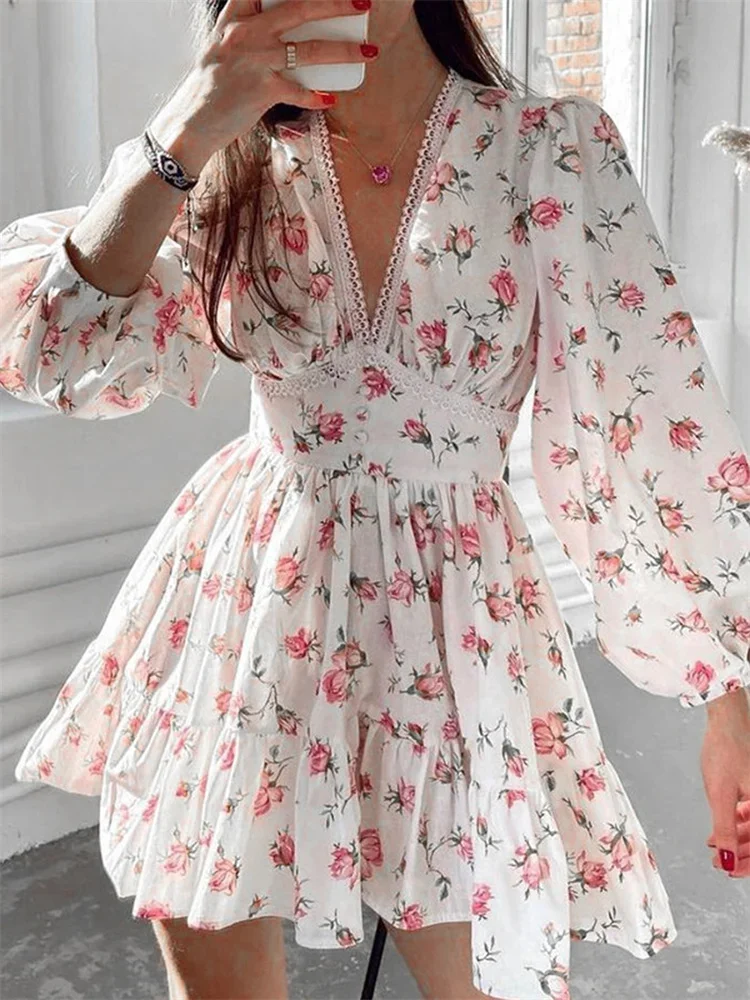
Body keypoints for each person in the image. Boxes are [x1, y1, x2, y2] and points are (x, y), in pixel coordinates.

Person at [2, 1, 749, 998]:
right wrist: (194, 118)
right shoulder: (221, 153)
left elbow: (642, 427)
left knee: (481, 973)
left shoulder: (548, 151)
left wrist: (727, 701)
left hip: (454, 622)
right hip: (245, 605)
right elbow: (60, 353)